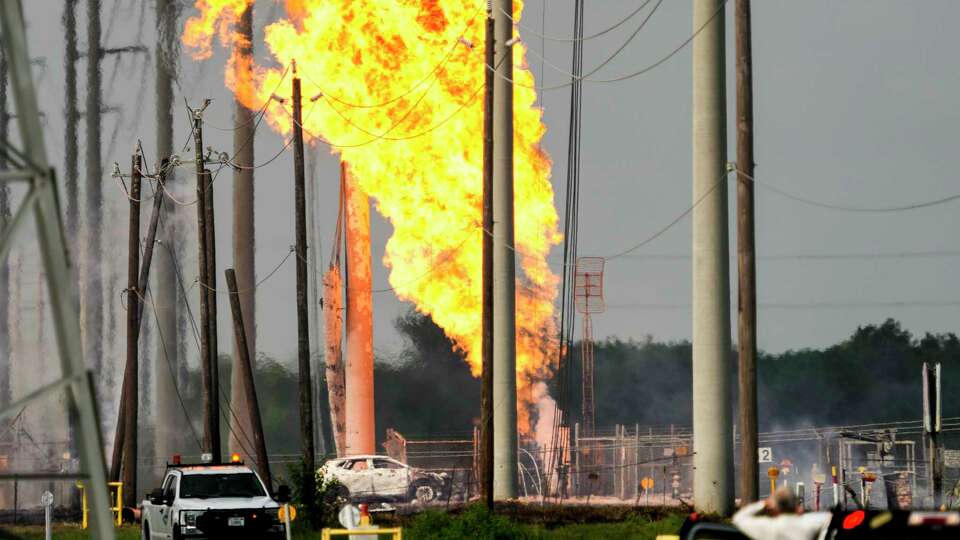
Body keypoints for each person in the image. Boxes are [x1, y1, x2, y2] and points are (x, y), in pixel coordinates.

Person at [733, 487, 831, 540]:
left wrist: (765, 503)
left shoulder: (768, 526)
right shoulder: (812, 521)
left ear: (775, 508)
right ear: (797, 506)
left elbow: (739, 518)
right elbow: (833, 520)